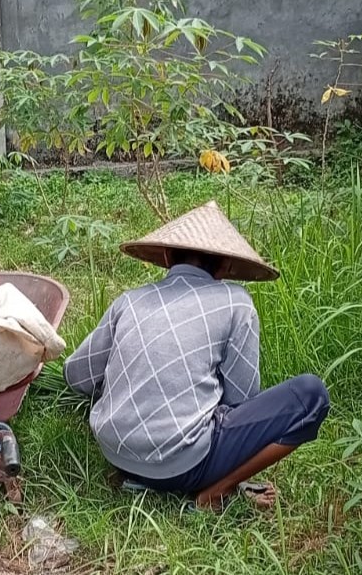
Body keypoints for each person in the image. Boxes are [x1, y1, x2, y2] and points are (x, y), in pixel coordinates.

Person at [64, 200, 330, 509]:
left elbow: (76, 376)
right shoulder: (235, 301)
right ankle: (217, 490)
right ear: (226, 266)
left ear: (166, 256)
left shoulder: (130, 300)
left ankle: (144, 479)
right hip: (184, 464)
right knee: (311, 395)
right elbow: (241, 399)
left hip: (115, 452)